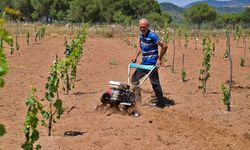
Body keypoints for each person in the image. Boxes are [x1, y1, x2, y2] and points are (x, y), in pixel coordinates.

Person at [131, 18, 168, 108]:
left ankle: (161, 103)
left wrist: (159, 59)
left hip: (152, 65)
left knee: (155, 84)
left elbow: (165, 46)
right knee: (134, 79)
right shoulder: (141, 35)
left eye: (144, 27)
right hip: (144, 64)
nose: (142, 29)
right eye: (141, 27)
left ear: (148, 26)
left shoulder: (152, 36)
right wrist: (135, 56)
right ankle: (138, 100)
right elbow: (140, 47)